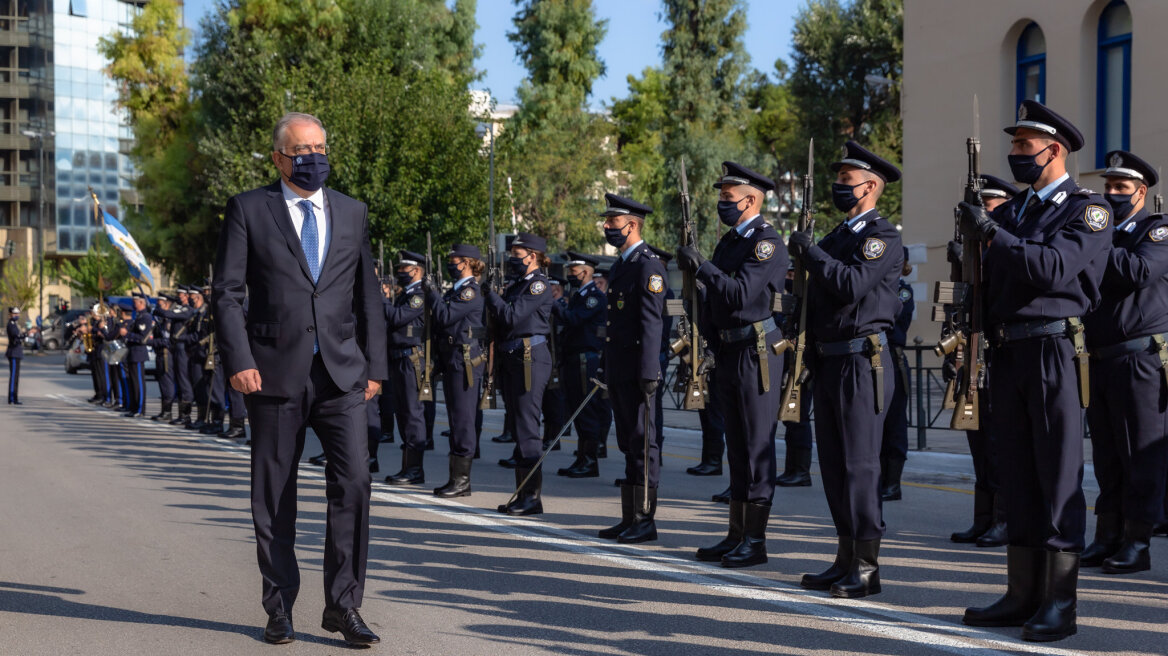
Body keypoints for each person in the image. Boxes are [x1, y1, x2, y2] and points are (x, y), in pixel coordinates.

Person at [212, 112, 387, 646]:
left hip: (342, 375)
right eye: (301, 150)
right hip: (271, 373)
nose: (313, 158)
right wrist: (239, 360)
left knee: (354, 483)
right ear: (278, 158)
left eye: (320, 148)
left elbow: (367, 295)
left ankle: (344, 606)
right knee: (274, 493)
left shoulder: (352, 211)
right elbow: (228, 293)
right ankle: (279, 606)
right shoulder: (248, 208)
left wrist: (375, 367)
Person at [956, 100, 1110, 642]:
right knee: (1017, 474)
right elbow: (984, 282)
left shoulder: (1087, 210)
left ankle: (1059, 603)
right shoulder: (1013, 212)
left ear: (1055, 150)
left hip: (1054, 351)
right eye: (1014, 145)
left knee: (1057, 475)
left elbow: (1051, 268)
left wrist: (991, 235)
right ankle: (1021, 594)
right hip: (1009, 351)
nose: (1015, 154)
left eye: (1024, 145)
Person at [788, 141, 902, 598]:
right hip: (831, 359)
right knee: (834, 466)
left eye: (845, 180)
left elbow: (850, 284)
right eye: (837, 179)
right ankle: (844, 557)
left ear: (870, 186)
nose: (838, 186)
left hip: (862, 361)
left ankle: (867, 567)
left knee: (860, 465)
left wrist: (811, 254)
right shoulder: (838, 236)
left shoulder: (882, 236)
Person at [677, 163, 788, 566]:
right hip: (729, 350)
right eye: (721, 197)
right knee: (737, 446)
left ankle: (755, 541)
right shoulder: (730, 241)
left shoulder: (766, 242)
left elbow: (740, 294)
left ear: (751, 199)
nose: (722, 204)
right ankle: (736, 533)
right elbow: (714, 300)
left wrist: (701, 265)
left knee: (757, 445)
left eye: (728, 197)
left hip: (756, 351)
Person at [1081, 150, 1168, 575]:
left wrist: (1095, 242)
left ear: (1141, 192)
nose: (1112, 194)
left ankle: (1137, 542)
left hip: (1140, 359)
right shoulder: (1105, 234)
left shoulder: (1158, 230)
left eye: (1121, 187)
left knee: (1140, 456)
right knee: (1107, 454)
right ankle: (1107, 535)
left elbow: (1139, 272)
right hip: (1100, 358)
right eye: (1108, 187)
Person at [949, 174, 1018, 548]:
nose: (982, 213)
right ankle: (982, 518)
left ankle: (1004, 520)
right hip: (973, 353)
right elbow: (958, 306)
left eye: (989, 206)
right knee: (977, 438)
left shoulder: (1008, 247)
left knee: (999, 443)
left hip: (999, 353)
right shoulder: (973, 250)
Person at [597, 194, 668, 543]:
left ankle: (644, 519)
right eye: (607, 222)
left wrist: (649, 371)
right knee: (627, 440)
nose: (606, 227)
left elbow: (652, 322)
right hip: (620, 366)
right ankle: (630, 517)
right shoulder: (621, 265)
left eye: (612, 222)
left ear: (632, 225)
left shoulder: (648, 265)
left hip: (639, 368)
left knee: (643, 442)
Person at [483, 232, 554, 516]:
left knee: (527, 427)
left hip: (529, 358)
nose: (512, 259)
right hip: (513, 358)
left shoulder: (538, 285)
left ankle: (532, 497)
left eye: (516, 254)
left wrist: (491, 295)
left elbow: (512, 318)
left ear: (532, 256)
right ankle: (522, 493)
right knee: (518, 425)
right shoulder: (518, 285)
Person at [425, 243, 486, 497]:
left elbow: (444, 317)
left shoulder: (469, 292)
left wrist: (431, 292)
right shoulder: (456, 291)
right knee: (455, 419)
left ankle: (462, 482)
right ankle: (455, 479)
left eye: (455, 260)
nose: (451, 264)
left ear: (468, 263)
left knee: (462, 420)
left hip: (465, 362)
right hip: (453, 360)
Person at [554, 252, 613, 479]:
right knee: (577, 410)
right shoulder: (579, 295)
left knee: (587, 411)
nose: (570, 275)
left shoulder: (593, 297)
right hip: (573, 358)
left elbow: (574, 319)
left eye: (574, 271)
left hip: (586, 360)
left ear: (586, 272)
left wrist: (554, 305)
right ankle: (581, 457)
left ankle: (590, 461)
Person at [383, 250, 429, 486]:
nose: (400, 272)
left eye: (404, 268)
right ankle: (407, 466)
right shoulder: (406, 294)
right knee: (402, 413)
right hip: (399, 359)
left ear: (416, 270)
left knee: (412, 414)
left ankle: (414, 469)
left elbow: (397, 318)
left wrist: (382, 298)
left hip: (412, 360)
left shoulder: (419, 295)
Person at [878, 248, 914, 501]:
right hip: (875, 355)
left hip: (893, 357)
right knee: (877, 422)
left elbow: (894, 316)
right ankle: (879, 479)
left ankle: (892, 483)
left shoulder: (903, 290)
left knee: (895, 422)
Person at [120, 293, 155, 418]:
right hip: (133, 352)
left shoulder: (145, 317)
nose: (134, 305)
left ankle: (140, 409)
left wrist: (127, 334)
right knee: (133, 382)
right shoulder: (139, 316)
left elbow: (142, 338)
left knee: (138, 382)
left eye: (135, 302)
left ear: (141, 303)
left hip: (138, 353)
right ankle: (134, 408)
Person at [169, 286, 196, 426]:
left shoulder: (188, 310)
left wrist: (162, 310)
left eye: (181, 294)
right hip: (176, 347)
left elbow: (171, 315)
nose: (178, 297)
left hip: (183, 348)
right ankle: (181, 414)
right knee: (179, 381)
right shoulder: (179, 309)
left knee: (184, 382)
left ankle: (186, 415)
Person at [6, 307, 24, 405]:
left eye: (17, 314)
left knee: (16, 376)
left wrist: (24, 335)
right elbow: (16, 336)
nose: (17, 315)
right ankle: (12, 398)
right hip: (13, 352)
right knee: (13, 377)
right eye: (15, 314)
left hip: (17, 352)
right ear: (10, 314)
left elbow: (19, 336)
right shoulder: (11, 324)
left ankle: (15, 398)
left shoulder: (15, 324)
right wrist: (23, 336)